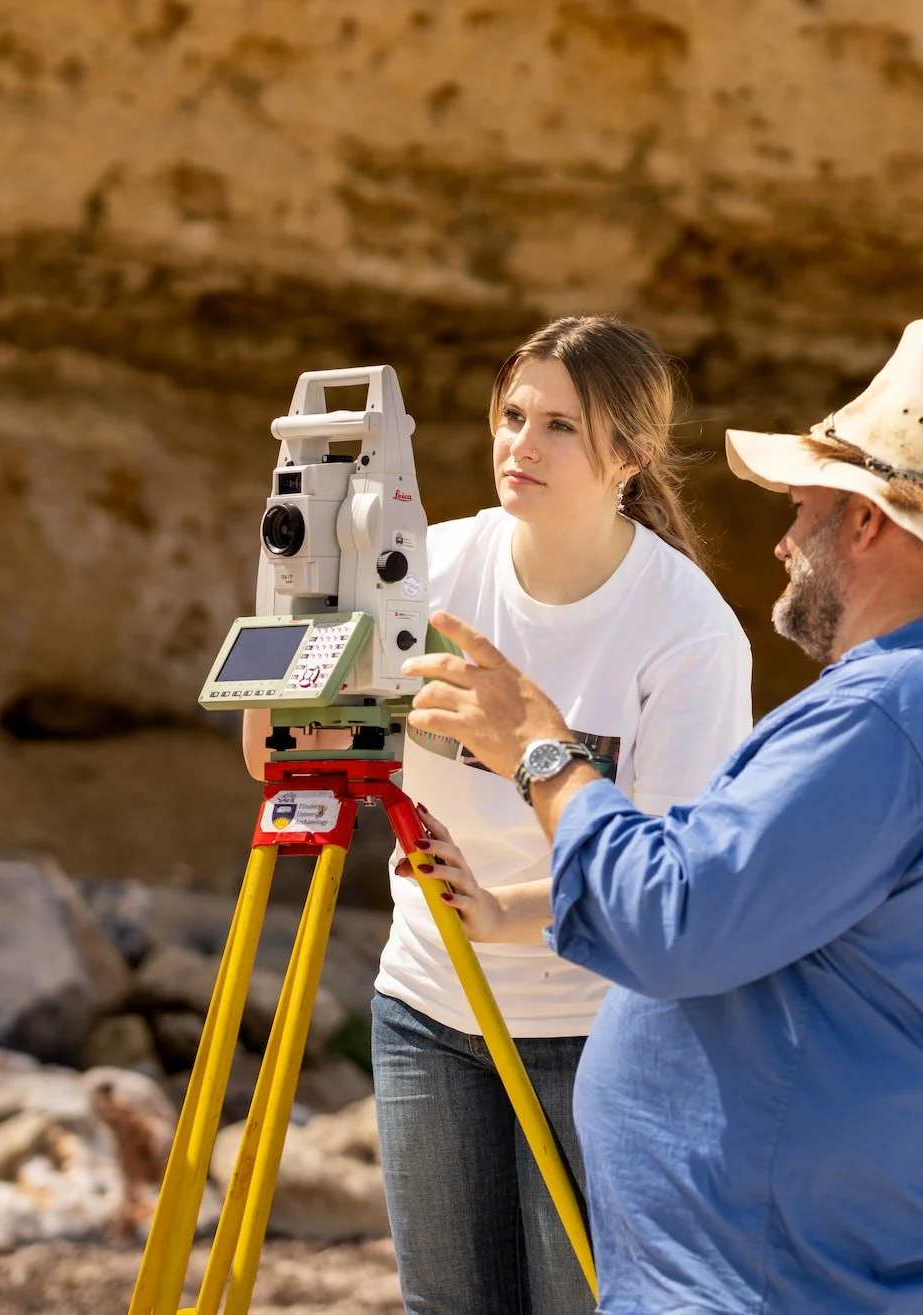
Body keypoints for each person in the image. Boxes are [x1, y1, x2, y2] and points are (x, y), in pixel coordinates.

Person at [404, 318, 923, 1313]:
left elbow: (678, 921)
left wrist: (545, 756)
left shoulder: (886, 718)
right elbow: (778, 917)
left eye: (804, 506)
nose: (781, 540)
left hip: (792, 1282)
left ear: (867, 521)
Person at [242, 316, 753, 1315]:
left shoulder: (688, 632)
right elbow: (273, 756)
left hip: (598, 1032)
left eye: (561, 426)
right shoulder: (425, 567)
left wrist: (500, 907)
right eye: (511, 415)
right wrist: (297, 610)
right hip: (429, 1005)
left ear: (629, 457)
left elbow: (671, 882)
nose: (521, 444)